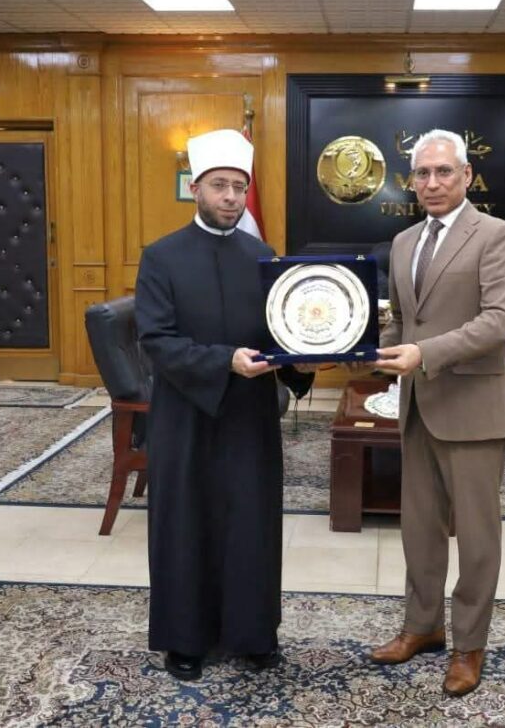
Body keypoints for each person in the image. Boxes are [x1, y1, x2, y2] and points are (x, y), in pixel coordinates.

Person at [134, 128, 314, 682]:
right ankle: (184, 640)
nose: (231, 197)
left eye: (239, 186)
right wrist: (224, 362)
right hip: (185, 414)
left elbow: (280, 333)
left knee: (251, 522)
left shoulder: (262, 257)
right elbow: (156, 340)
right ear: (195, 188)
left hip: (249, 415)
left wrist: (305, 360)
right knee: (185, 524)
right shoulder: (161, 256)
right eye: (220, 186)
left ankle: (253, 634)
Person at [370, 128, 505, 697]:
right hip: (417, 406)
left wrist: (423, 354)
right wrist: (366, 351)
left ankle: (469, 646)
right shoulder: (404, 241)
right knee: (419, 529)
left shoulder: (498, 235)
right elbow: (401, 321)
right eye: (422, 173)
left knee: (477, 539)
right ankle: (423, 626)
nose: (432, 182)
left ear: (466, 176)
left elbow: (500, 321)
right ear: (411, 181)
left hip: (473, 409)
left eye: (443, 172)